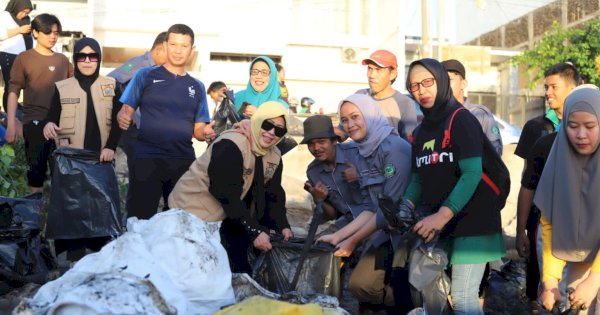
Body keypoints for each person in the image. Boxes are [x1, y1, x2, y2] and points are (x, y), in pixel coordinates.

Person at [402, 58, 505, 315]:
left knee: (463, 297)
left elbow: (472, 173)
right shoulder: (423, 130)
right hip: (447, 221)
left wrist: (442, 215)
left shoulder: (461, 119)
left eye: (428, 82)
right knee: (442, 295)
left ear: (442, 82)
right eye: (414, 86)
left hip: (475, 219)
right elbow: (418, 177)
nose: (421, 90)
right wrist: (405, 205)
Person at [168, 101, 293, 274]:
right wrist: (254, 231)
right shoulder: (231, 144)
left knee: (235, 271)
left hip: (228, 216)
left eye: (279, 130)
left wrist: (282, 225)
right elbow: (225, 191)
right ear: (257, 121)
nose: (272, 133)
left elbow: (272, 194)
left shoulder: (274, 155)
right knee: (188, 272)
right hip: (190, 214)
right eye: (267, 125)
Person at [317, 93, 413, 314]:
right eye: (345, 120)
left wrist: (351, 241)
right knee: (360, 286)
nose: (349, 125)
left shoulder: (393, 148)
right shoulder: (363, 151)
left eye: (355, 117)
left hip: (409, 235)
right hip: (385, 232)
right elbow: (371, 208)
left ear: (370, 115)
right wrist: (338, 237)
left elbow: (389, 210)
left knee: (397, 290)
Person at [116, 23, 209, 220]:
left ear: (191, 50)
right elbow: (126, 110)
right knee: (139, 221)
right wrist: (123, 117)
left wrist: (207, 133)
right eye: (173, 44)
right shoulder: (144, 75)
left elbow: (199, 130)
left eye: (184, 46)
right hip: (147, 158)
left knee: (177, 222)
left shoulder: (197, 86)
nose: (178, 50)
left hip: (182, 161)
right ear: (165, 45)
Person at [42, 37, 123, 260]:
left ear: (99, 59)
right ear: (75, 59)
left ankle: (101, 264)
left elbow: (118, 122)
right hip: (71, 162)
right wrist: (48, 125)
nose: (87, 61)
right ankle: (73, 265)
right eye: (82, 56)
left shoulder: (112, 85)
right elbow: (50, 117)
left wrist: (110, 147)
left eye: (93, 56)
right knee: (73, 214)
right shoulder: (62, 87)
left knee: (103, 214)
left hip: (101, 159)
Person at [514, 62, 580, 305]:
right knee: (551, 293)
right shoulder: (538, 131)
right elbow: (527, 183)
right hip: (548, 223)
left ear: (574, 89)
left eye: (554, 86)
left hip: (587, 231)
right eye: (546, 87)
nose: (548, 92)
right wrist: (522, 228)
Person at [534, 87, 600, 314]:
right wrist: (550, 282)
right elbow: (551, 223)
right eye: (573, 126)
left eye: (590, 126)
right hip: (577, 266)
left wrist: (594, 279)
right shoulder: (559, 162)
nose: (581, 134)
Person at [4, 13, 73, 192]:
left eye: (56, 33)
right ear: (35, 33)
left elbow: (75, 90)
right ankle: (34, 213)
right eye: (47, 32)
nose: (53, 36)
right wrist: (11, 123)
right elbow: (13, 92)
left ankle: (57, 215)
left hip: (61, 124)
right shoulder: (24, 58)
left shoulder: (63, 60)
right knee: (36, 175)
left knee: (64, 173)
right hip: (34, 121)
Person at [107, 31, 167, 213]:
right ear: (158, 49)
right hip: (129, 129)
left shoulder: (160, 71)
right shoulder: (139, 63)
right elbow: (111, 80)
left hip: (146, 131)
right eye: (168, 50)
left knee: (141, 176)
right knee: (134, 174)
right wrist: (123, 108)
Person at [302, 115, 368, 231]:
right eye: (311, 144)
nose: (316, 148)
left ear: (334, 141)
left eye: (321, 141)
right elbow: (331, 215)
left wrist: (361, 175)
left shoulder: (358, 152)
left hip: (372, 218)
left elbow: (388, 179)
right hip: (345, 223)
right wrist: (318, 198)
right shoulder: (313, 171)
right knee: (318, 245)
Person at [203, 56, 285, 143]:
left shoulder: (281, 107)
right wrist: (210, 134)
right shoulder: (236, 98)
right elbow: (218, 130)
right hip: (234, 153)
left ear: (272, 76)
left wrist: (259, 115)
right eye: (254, 72)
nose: (258, 76)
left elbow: (283, 140)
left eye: (264, 73)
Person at [442, 59, 503, 155]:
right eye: (440, 81)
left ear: (463, 84)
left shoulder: (480, 114)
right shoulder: (436, 117)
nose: (443, 86)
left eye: (448, 80)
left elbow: (495, 151)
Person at [356, 49, 418, 140]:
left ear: (392, 74)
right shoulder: (359, 96)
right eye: (370, 69)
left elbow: (409, 144)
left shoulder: (405, 103)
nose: (372, 75)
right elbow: (344, 131)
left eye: (378, 70)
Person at [0, 0, 33, 113]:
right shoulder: (5, 16)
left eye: (27, 12)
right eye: (23, 11)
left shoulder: (26, 19)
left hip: (25, 56)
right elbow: (1, 34)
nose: (24, 14)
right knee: (11, 86)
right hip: (9, 54)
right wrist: (20, 30)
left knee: (24, 84)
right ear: (17, 7)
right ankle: (9, 110)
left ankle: (16, 107)